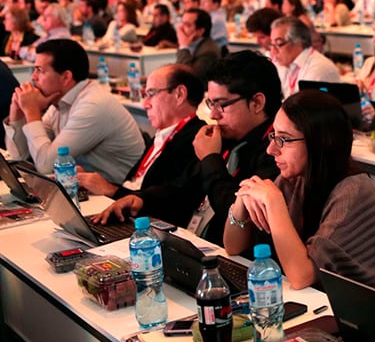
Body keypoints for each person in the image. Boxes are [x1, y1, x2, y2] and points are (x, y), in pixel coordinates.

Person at [223, 90, 375, 297]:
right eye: (274, 136)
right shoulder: (294, 179)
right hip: (329, 302)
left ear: (320, 142)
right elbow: (232, 247)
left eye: (284, 140)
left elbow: (301, 276)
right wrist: (241, 202)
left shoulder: (353, 191)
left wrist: (274, 202)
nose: (271, 149)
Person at [96, 50, 281, 246]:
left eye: (222, 104)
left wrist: (211, 158)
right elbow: (182, 188)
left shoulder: (275, 151)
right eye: (211, 103)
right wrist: (141, 199)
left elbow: (235, 215)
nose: (214, 114)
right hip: (196, 244)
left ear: (257, 103)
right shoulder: (229, 137)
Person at [4, 39, 145, 183]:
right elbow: (20, 157)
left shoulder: (92, 106)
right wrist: (16, 114)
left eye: (40, 70)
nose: (33, 77)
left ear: (66, 77)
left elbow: (45, 165)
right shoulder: (60, 101)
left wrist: (31, 112)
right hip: (86, 188)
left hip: (118, 194)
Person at [77, 64, 206, 198]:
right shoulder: (163, 135)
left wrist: (111, 190)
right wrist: (90, 183)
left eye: (151, 94)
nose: (145, 104)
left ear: (179, 94)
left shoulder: (195, 141)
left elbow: (167, 203)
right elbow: (135, 187)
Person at [268, 16, 340, 98]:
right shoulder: (285, 65)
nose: (273, 51)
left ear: (298, 42)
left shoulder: (318, 67)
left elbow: (303, 108)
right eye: (271, 45)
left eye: (278, 44)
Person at [177, 8, 222, 80]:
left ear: (200, 31)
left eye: (187, 25)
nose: (180, 28)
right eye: (182, 23)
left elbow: (188, 78)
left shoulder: (208, 51)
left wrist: (183, 47)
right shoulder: (190, 43)